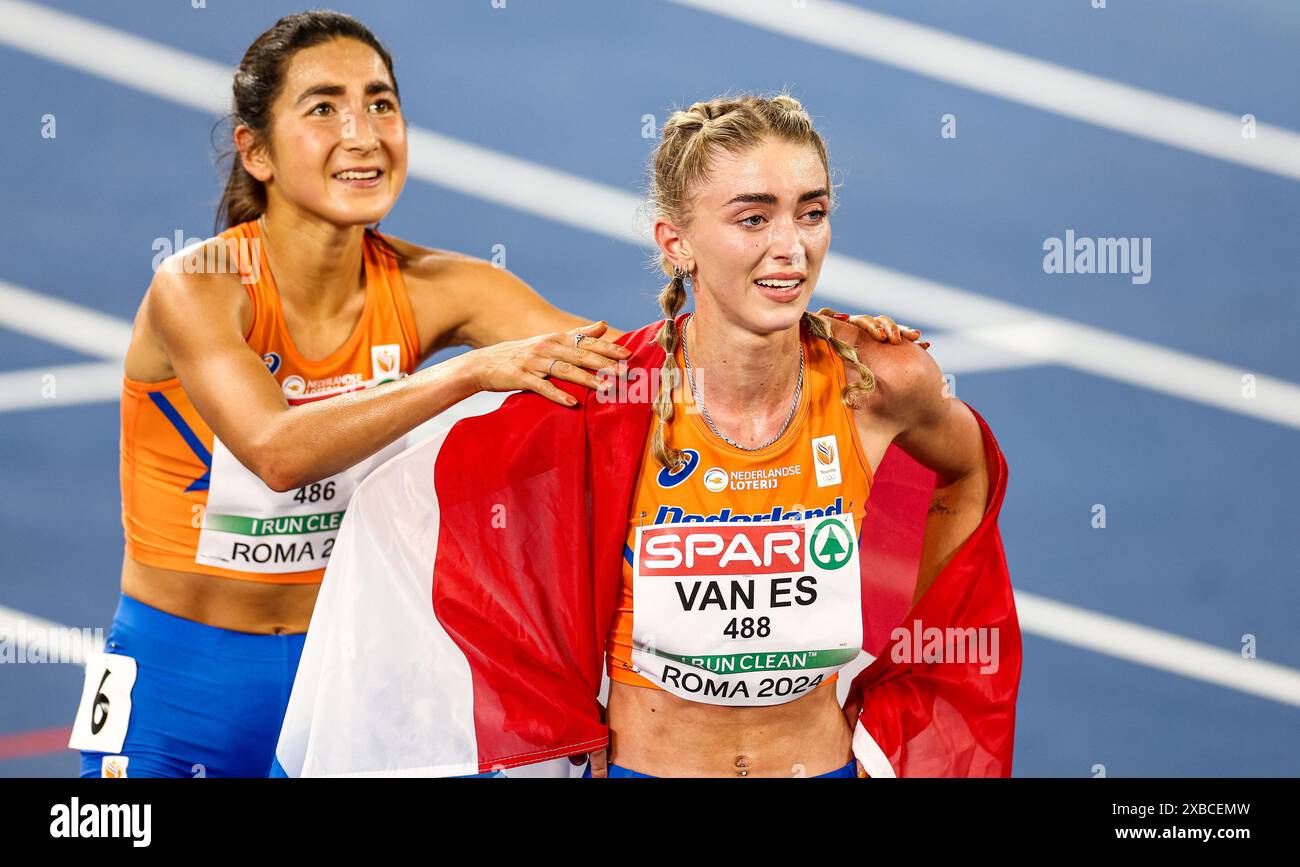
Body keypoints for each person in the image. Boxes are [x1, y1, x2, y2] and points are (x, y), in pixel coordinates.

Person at [68, 12, 917, 778]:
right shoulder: (200, 285)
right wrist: (466, 373)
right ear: (256, 150)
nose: (362, 134)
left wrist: (800, 323)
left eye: (381, 104)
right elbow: (277, 451)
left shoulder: (440, 285)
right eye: (323, 108)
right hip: (188, 678)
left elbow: (628, 372)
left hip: (349, 667)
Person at [272, 92, 1019, 779]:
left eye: (811, 212)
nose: (791, 246)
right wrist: (470, 374)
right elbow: (382, 501)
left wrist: (898, 671)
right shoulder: (611, 392)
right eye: (753, 218)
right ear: (677, 242)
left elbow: (967, 475)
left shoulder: (880, 383)